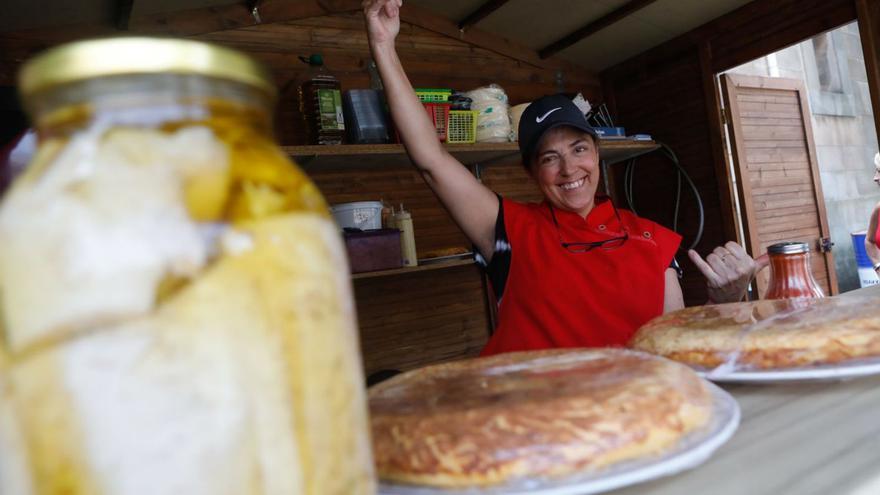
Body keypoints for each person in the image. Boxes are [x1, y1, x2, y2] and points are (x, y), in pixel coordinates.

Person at [364, 0, 767, 355]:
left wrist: (727, 299)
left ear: (596, 152)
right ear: (532, 172)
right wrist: (384, 45)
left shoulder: (653, 241)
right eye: (550, 158)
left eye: (578, 150)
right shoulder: (509, 228)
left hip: (626, 415)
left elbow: (676, 347)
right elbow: (430, 158)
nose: (569, 170)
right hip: (530, 420)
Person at [865, 152, 880, 271]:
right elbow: (869, 241)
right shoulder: (879, 209)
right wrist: (878, 266)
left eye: (879, 171)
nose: (875, 178)